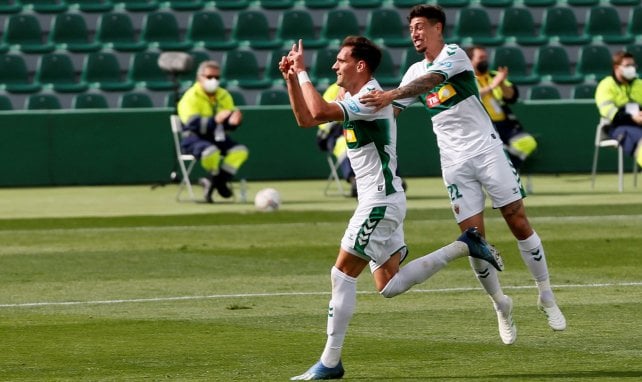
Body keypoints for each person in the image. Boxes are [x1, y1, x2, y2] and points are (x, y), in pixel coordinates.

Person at [281, 36, 504, 380]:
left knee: (341, 274)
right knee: (389, 285)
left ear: (360, 66)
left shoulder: (370, 98)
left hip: (378, 202)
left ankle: (330, 361)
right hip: (384, 200)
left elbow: (320, 112)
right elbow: (306, 120)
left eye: (340, 61)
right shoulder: (350, 95)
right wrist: (292, 79)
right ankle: (465, 244)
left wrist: (304, 73)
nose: (334, 66)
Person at [360, 4, 566, 342]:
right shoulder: (412, 72)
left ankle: (546, 294)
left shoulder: (454, 56)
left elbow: (431, 80)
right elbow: (392, 111)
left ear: (438, 28)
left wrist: (391, 94)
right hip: (453, 162)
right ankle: (500, 304)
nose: (414, 33)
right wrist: (362, 114)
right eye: (411, 28)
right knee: (474, 239)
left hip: (486, 149)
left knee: (517, 219)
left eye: (420, 26)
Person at [177, 60, 249, 203]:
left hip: (217, 137)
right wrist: (215, 120)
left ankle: (214, 181)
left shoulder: (224, 95)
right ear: (199, 78)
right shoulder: (190, 97)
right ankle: (219, 182)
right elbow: (192, 124)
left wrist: (233, 122)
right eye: (209, 77)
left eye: (217, 77)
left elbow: (226, 123)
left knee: (240, 151)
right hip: (193, 139)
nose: (214, 81)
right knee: (211, 150)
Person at [466, 45, 538, 171]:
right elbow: (471, 96)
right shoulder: (467, 79)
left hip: (504, 124)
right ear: (470, 60)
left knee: (528, 142)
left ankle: (508, 169)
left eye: (485, 57)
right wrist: (492, 86)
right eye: (481, 58)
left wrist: (501, 83)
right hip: (482, 125)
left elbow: (512, 96)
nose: (484, 60)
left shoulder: (495, 75)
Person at [595, 50, 642, 169]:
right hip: (617, 127)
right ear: (617, 67)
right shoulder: (606, 85)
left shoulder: (639, 84)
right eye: (627, 66)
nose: (631, 68)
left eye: (633, 65)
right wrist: (633, 119)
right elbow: (611, 113)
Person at [316, 83, 357, 196]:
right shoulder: (333, 90)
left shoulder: (368, 87)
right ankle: (354, 181)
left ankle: (393, 178)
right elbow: (325, 116)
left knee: (378, 141)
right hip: (336, 134)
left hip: (361, 130)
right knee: (344, 143)